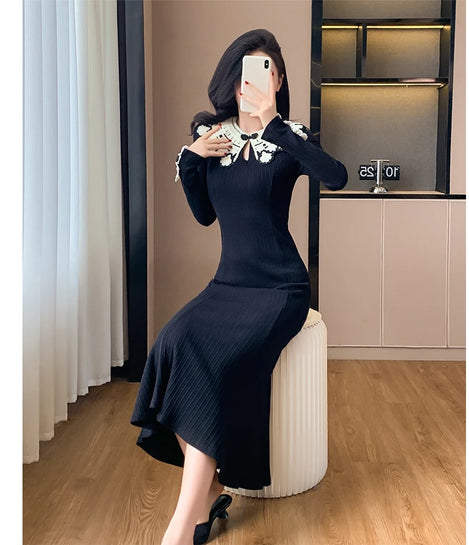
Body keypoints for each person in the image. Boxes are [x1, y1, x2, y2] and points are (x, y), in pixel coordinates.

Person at [130, 28, 348, 545]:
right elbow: (205, 215)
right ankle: (208, 493)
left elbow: (336, 177)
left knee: (218, 369)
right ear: (231, 80)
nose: (251, 81)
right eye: (244, 72)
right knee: (172, 344)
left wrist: (275, 125)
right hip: (227, 284)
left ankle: (181, 526)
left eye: (264, 70)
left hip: (280, 288)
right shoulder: (212, 136)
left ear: (278, 81)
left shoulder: (290, 136)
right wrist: (191, 157)